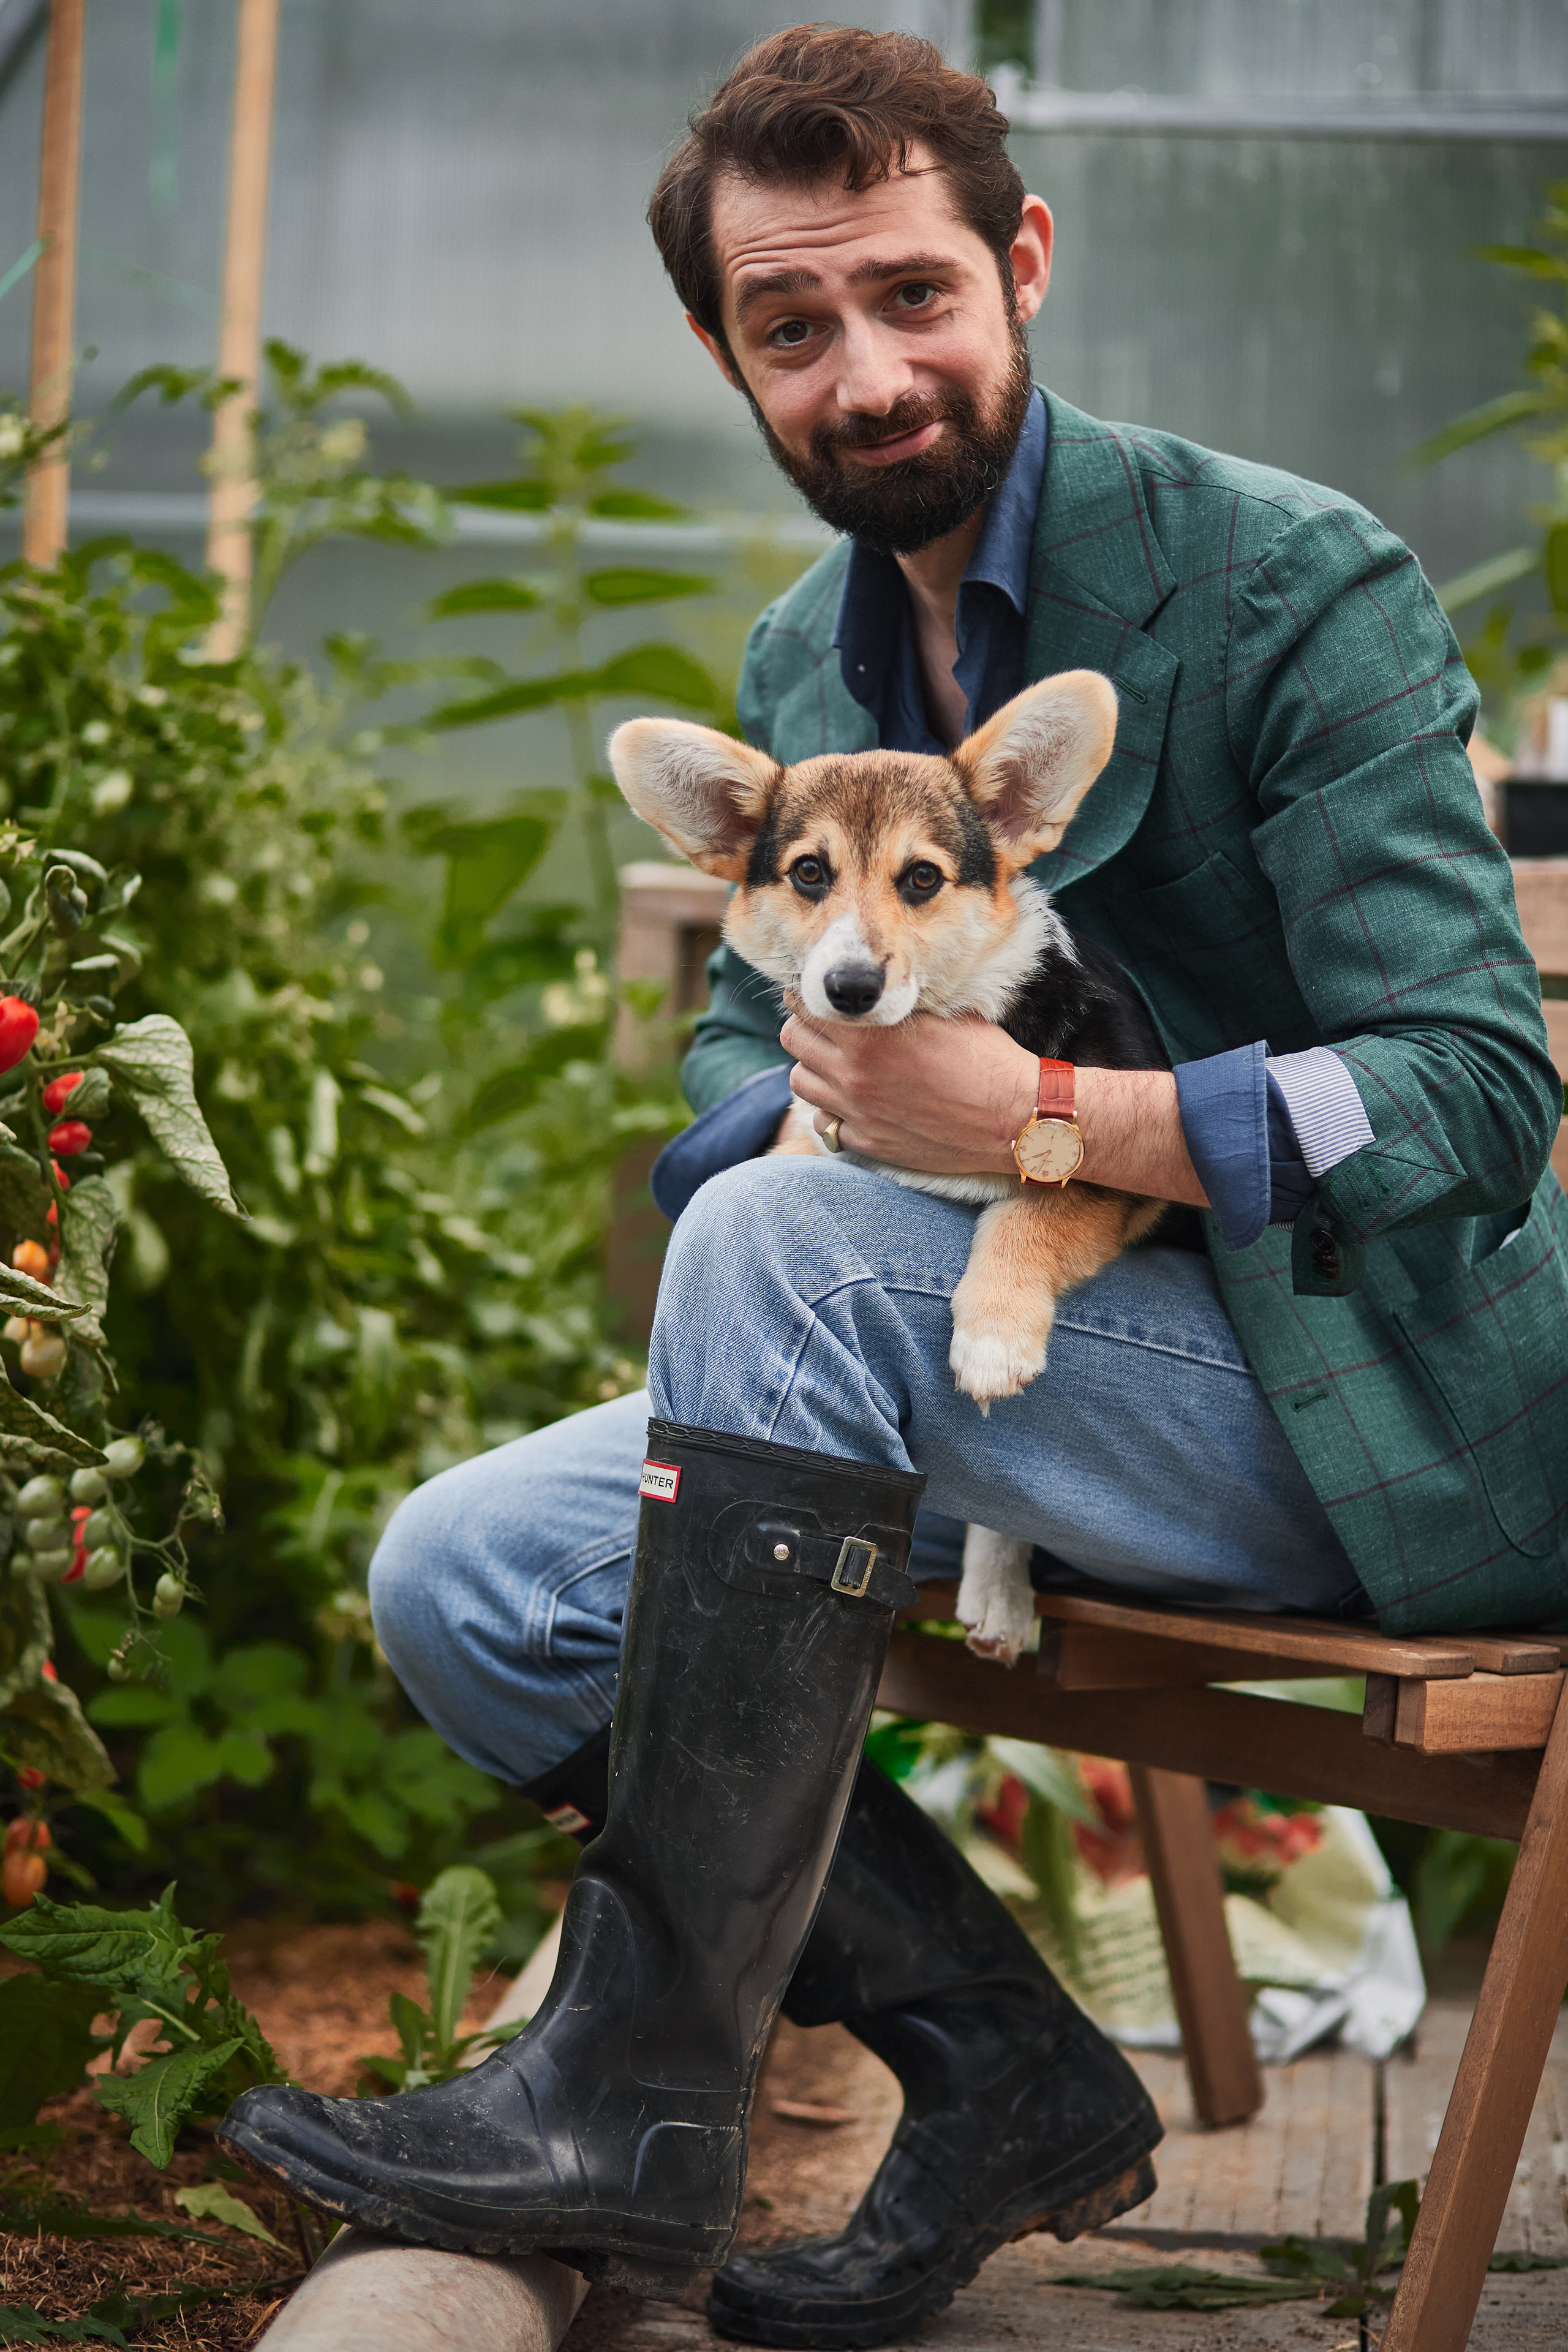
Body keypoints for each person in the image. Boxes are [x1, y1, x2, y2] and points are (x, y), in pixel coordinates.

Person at [221, 24, 1566, 2345]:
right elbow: (740, 1064)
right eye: (792, 323)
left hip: (1373, 1405)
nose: (867, 368)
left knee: (771, 1248)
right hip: (964, 1371)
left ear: (1020, 261)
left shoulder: (1285, 586)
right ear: (726, 350)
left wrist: (1048, 1127)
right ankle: (994, 2072)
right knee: (469, 1577)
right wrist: (825, 1116)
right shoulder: (803, 661)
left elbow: (1468, 1096)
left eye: (916, 294)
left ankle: (634, 2106)